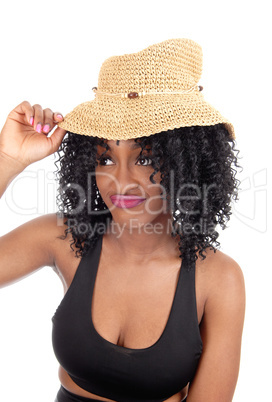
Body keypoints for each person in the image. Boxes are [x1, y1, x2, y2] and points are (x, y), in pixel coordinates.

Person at [0, 38, 246, 402]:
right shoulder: (66, 237)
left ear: (187, 163)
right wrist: (8, 159)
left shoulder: (219, 279)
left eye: (145, 157)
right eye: (106, 157)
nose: (121, 180)